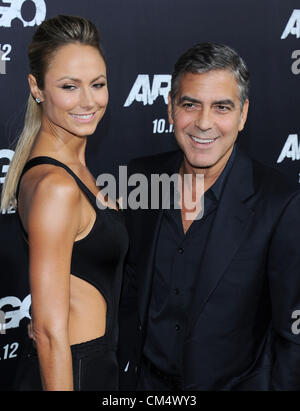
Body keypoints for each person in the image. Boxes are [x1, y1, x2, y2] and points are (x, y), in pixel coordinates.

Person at [118, 42, 300, 390]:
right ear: (171, 109)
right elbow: (124, 290)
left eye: (221, 107)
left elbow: (292, 336)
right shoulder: (140, 179)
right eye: (190, 105)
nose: (204, 123)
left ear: (243, 115)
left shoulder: (280, 203)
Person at [0, 15, 128, 391]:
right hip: (74, 372)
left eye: (98, 84)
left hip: (94, 365)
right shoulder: (56, 186)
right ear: (36, 88)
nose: (89, 101)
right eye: (69, 87)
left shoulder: (69, 170)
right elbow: (47, 330)